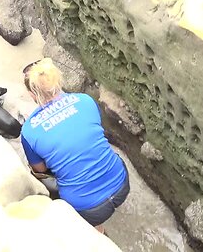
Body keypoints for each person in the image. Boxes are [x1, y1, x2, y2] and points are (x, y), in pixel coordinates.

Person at [20, 58, 130, 234]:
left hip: (87, 208)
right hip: (122, 183)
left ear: (32, 94)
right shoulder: (85, 100)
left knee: (41, 174)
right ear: (58, 80)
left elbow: (40, 170)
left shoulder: (29, 130)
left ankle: (95, 231)